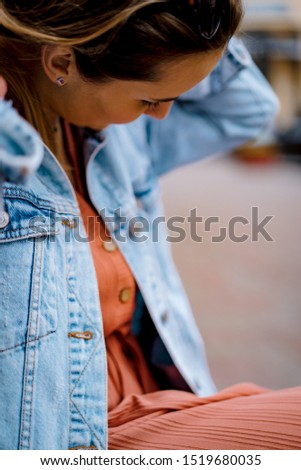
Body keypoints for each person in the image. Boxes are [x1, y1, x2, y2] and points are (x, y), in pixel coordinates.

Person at [0, 0, 300, 451]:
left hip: (160, 403)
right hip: (75, 438)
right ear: (62, 61)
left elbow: (247, 110)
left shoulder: (117, 133)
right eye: (150, 98)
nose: (161, 114)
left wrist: (193, 20)